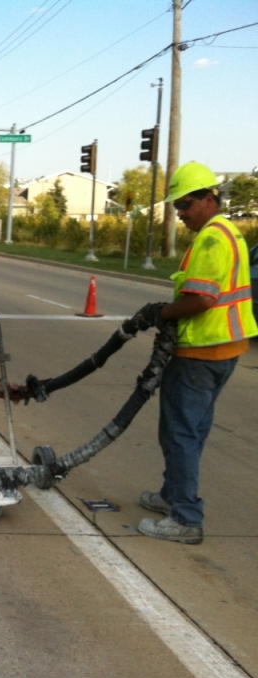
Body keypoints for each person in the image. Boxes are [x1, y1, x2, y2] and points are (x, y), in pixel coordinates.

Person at [137, 161, 258, 544]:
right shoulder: (231, 233)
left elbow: (203, 298)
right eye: (176, 207)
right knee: (194, 430)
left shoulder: (210, 239)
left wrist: (161, 313)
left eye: (186, 204)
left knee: (179, 434)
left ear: (210, 198)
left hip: (201, 353)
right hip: (225, 350)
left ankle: (186, 518)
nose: (181, 213)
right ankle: (173, 495)